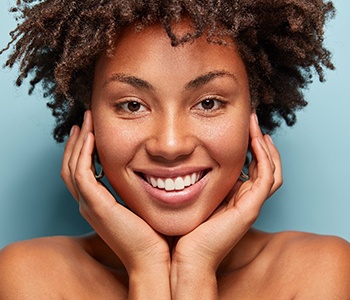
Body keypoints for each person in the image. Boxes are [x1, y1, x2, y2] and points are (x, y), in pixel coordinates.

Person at [0, 0, 349, 298]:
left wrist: (195, 269)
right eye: (133, 105)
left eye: (209, 103)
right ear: (88, 117)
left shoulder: (319, 272)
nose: (170, 145)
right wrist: (147, 267)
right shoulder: (31, 277)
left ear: (251, 115)